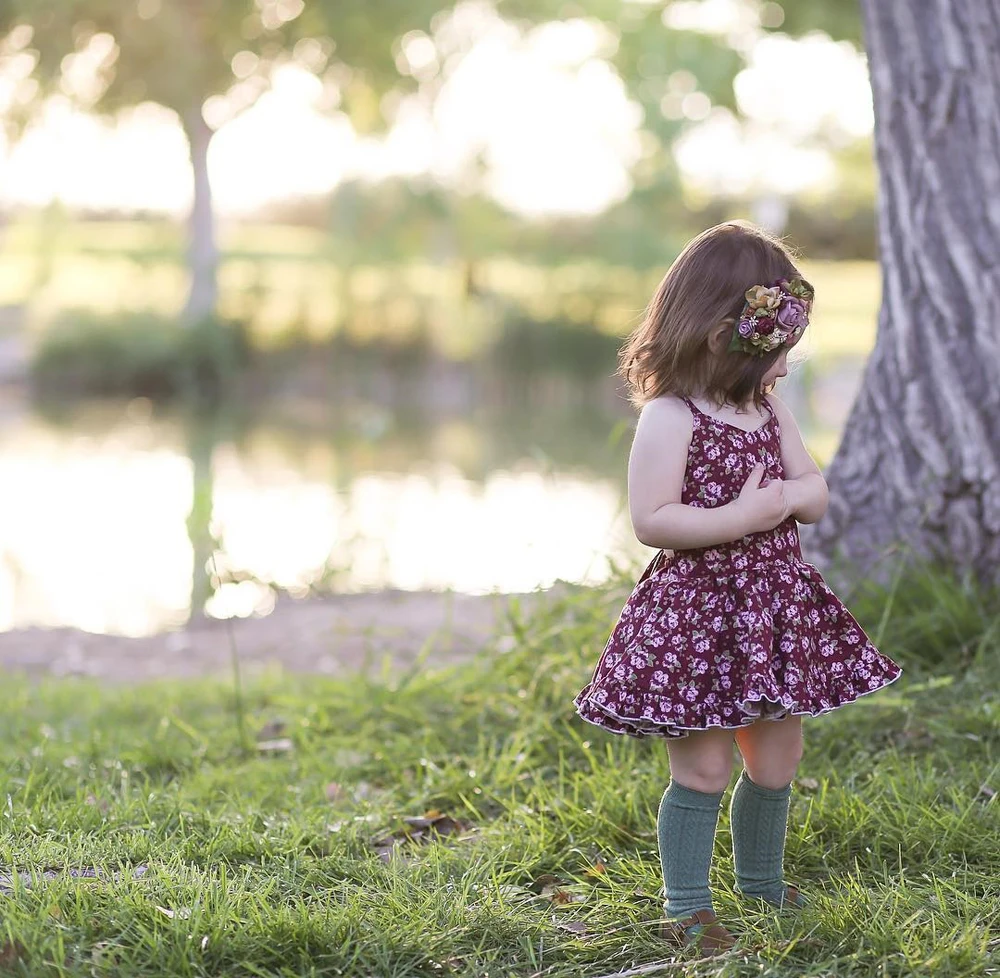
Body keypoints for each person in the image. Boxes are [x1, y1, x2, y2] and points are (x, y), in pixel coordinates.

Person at [574, 221, 901, 954]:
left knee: (777, 755)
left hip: (772, 611)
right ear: (723, 336)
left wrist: (784, 500)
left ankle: (761, 882)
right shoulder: (670, 416)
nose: (788, 362)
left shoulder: (765, 409)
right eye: (779, 347)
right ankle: (688, 907)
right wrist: (741, 515)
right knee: (705, 763)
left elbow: (814, 490)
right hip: (697, 614)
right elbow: (652, 520)